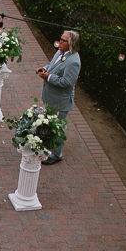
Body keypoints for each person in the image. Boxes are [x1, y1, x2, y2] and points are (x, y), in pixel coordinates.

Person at [38, 30, 81, 165]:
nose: (60, 42)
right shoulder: (60, 52)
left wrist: (49, 77)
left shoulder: (74, 62)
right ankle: (49, 143)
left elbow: (67, 83)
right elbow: (52, 65)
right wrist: (45, 69)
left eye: (63, 40)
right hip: (50, 97)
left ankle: (57, 154)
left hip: (60, 101)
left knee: (57, 127)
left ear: (71, 44)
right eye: (60, 39)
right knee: (50, 123)